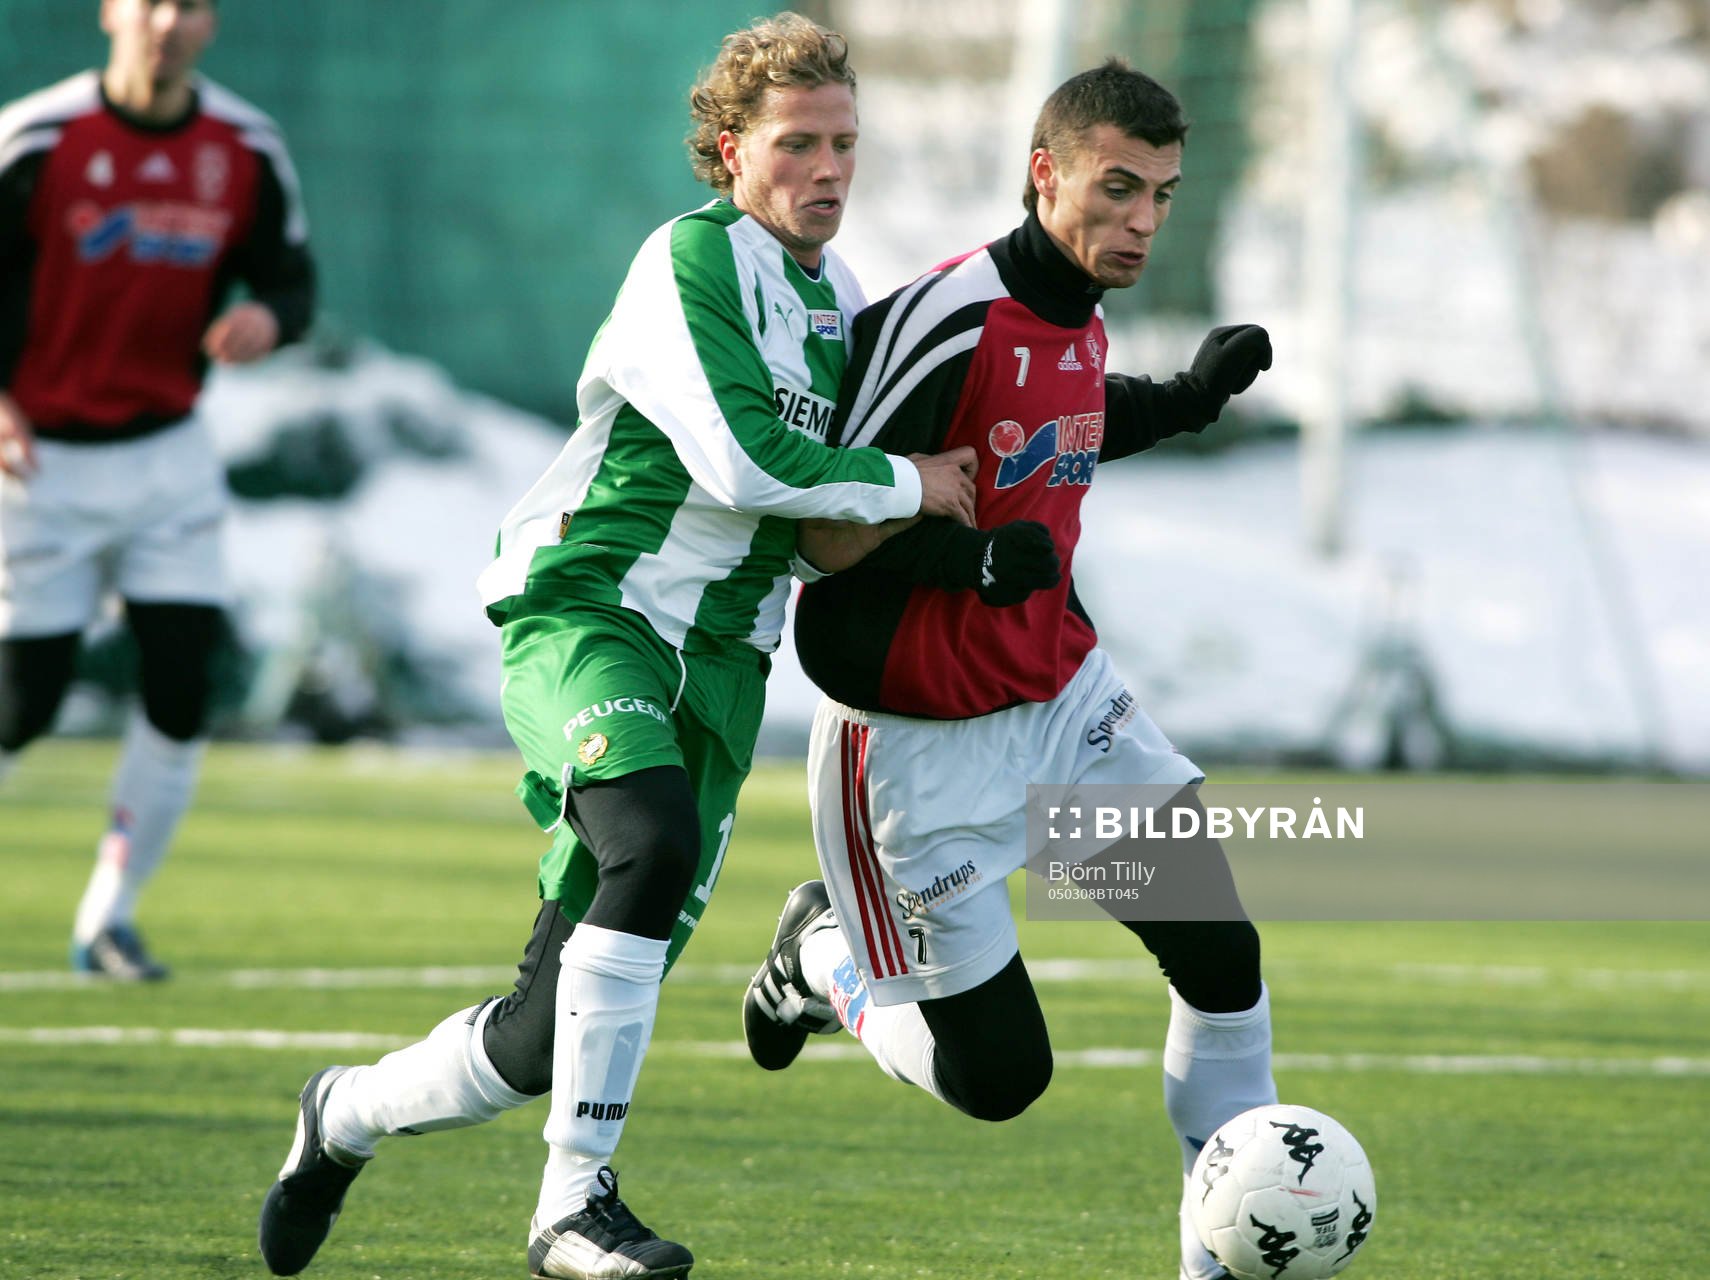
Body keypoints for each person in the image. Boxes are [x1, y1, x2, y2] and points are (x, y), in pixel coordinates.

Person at [256, 13, 976, 1280]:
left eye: (845, 144)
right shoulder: (691, 260)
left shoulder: (841, 302)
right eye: (797, 143)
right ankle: (573, 1208)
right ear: (727, 150)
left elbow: (812, 533)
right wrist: (914, 484)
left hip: (724, 666)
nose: (827, 169)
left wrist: (946, 525)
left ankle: (344, 1112)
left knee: (536, 1037)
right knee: (649, 837)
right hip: (592, 608)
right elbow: (748, 462)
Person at [741, 60, 1276, 1280]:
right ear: (1047, 176)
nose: (1143, 219)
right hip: (911, 744)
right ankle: (822, 959)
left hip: (1061, 701)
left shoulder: (1076, 305)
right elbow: (822, 527)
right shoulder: (942, 318)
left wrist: (1186, 399)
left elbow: (1065, 416)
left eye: (1165, 196)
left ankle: (1219, 1261)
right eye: (1119, 188)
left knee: (1220, 951)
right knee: (1001, 1080)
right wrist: (970, 561)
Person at [0, 0, 314, 980]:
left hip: (168, 452)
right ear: (110, 13)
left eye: (192, 6)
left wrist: (267, 315)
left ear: (213, 24)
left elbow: (293, 281)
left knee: (182, 683)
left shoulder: (245, 146)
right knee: (26, 701)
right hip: (35, 458)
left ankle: (110, 915)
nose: (169, 23)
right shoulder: (37, 138)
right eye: (151, 3)